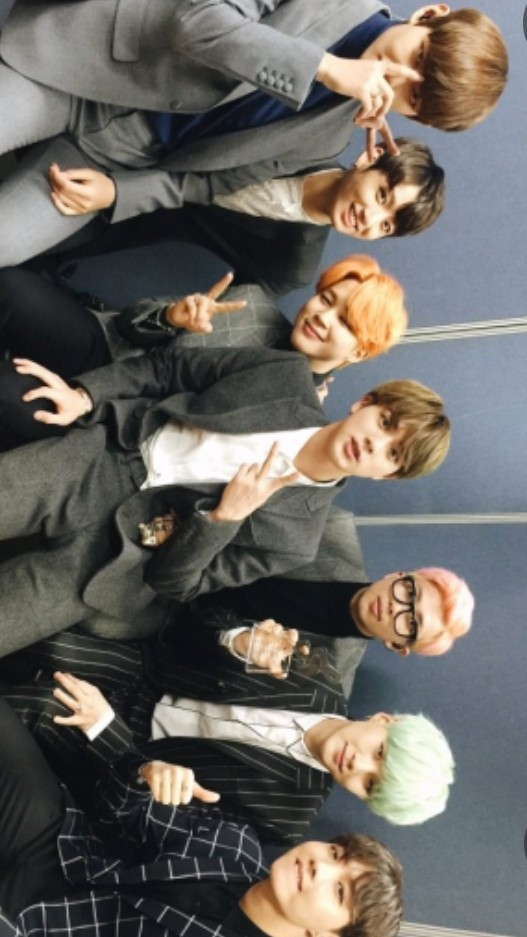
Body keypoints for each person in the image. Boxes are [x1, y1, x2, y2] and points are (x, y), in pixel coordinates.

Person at [0, 339, 450, 658]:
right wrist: (86, 395)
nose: (373, 444)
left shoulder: (297, 540)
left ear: (387, 476)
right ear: (365, 403)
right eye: (385, 423)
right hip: (103, 460)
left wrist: (222, 520)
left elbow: (175, 586)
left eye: (392, 454)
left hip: (112, 563)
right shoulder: (286, 375)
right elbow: (169, 367)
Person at [0, 1, 507, 265]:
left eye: (412, 97)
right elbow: (197, 19)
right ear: (429, 16)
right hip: (88, 67)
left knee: (7, 243)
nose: (397, 78)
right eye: (417, 55)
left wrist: (119, 193)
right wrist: (324, 67)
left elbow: (204, 182)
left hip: (117, 158)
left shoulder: (329, 140)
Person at [0, 613, 455, 842]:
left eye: (370, 784)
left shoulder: (286, 817)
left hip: (123, 753)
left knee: (46, 703)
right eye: (379, 752)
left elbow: (153, 822)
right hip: (145, 676)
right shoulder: (315, 669)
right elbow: (187, 623)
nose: (357, 764)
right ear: (383, 720)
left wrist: (105, 728)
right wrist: (235, 639)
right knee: (54, 642)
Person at [0, 698, 404, 937]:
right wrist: (145, 774)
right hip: (63, 854)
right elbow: (115, 816)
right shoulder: (235, 845)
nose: (320, 867)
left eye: (339, 892)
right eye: (334, 853)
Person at [0, 254, 408, 445]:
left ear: (359, 352)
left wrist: (87, 401)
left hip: (111, 423)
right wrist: (171, 317)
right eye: (326, 300)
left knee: (10, 396)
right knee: (11, 289)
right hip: (109, 350)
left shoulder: (295, 415)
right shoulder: (252, 303)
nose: (323, 316)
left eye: (345, 323)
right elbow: (128, 323)